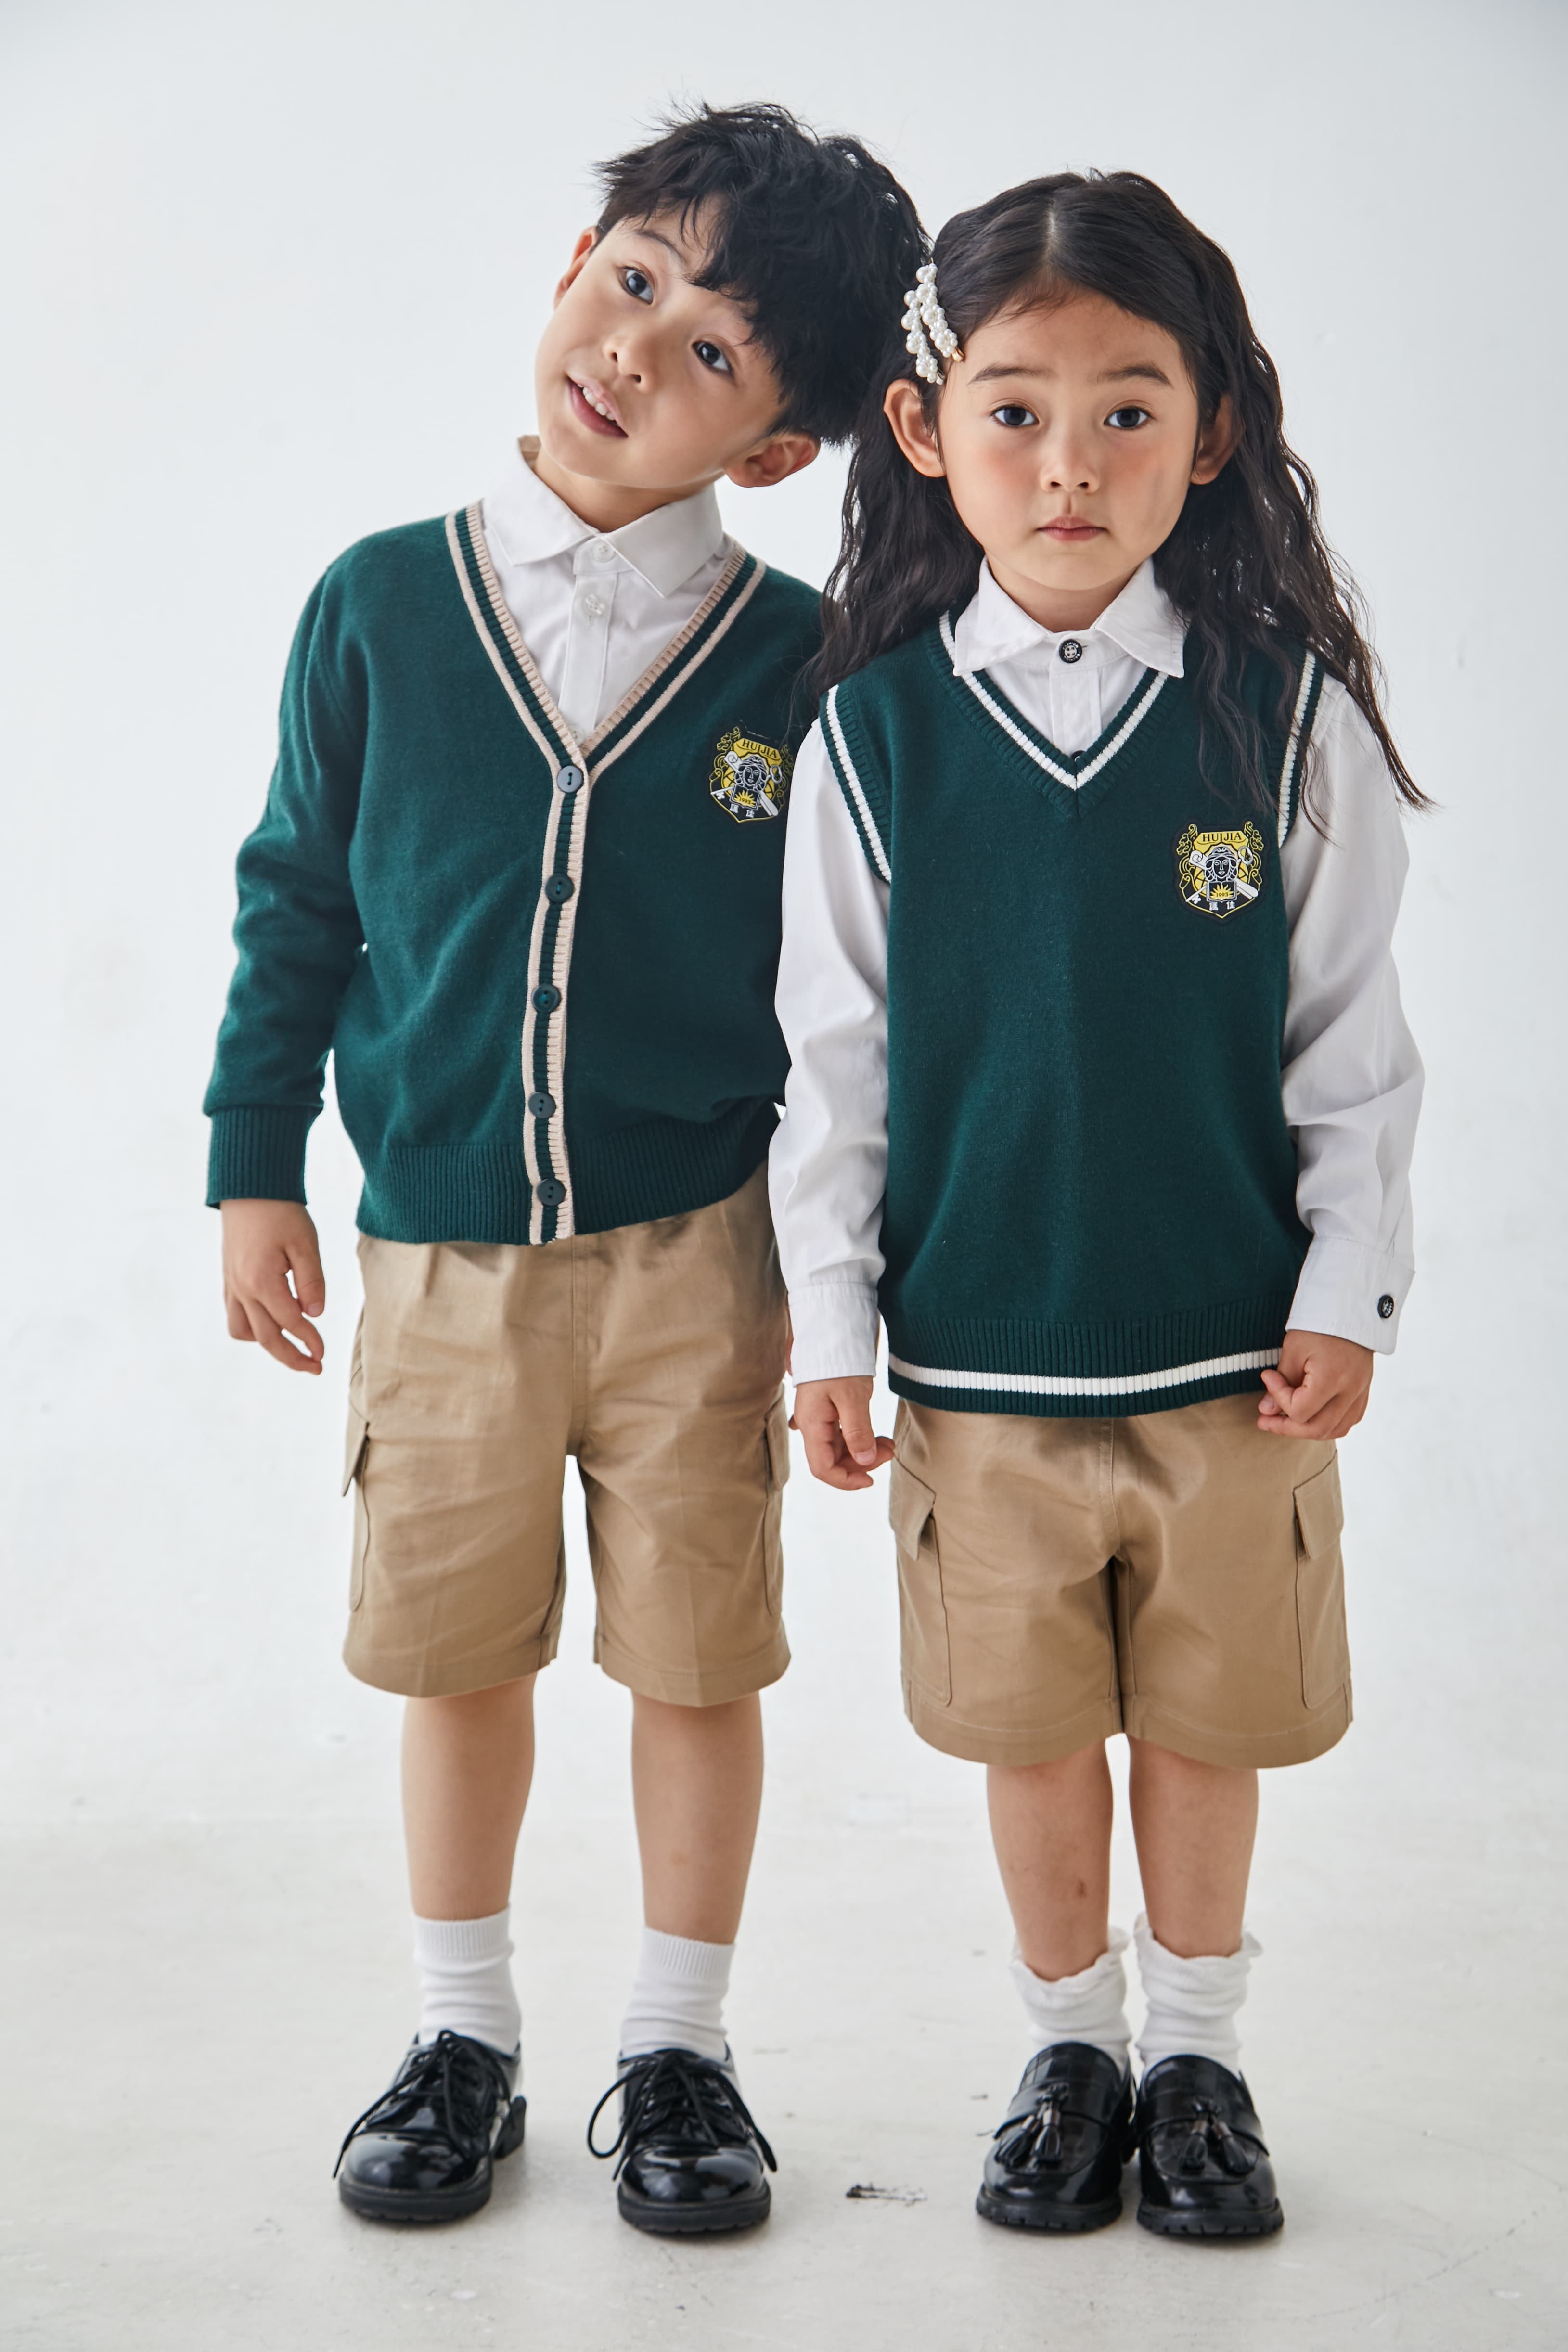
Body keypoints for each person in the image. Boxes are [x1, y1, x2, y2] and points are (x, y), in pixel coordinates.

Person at [204, 102, 923, 2234]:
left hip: (704, 1267)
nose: (642, 354)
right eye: (636, 286)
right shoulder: (375, 608)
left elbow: (838, 1009)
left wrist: (830, 1267)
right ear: (571, 262)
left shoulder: (801, 675)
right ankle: (462, 2033)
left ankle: (679, 2050)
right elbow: (294, 905)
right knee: (457, 1657)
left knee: (696, 1662)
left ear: (780, 447)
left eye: (718, 356)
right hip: (433, 1258)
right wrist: (256, 1166)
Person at [771, 170, 1424, 2240]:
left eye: (1128, 408)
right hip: (973, 1363)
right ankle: (1067, 2042)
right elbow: (836, 1066)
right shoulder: (871, 745)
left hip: (1234, 1366)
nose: (1069, 463)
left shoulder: (1277, 716)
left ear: (1210, 428)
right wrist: (826, 1326)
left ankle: (1200, 2054)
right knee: (1034, 1729)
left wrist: (1346, 1289)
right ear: (921, 427)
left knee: (1203, 1725)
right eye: (1015, 407)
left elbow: (1347, 1047)